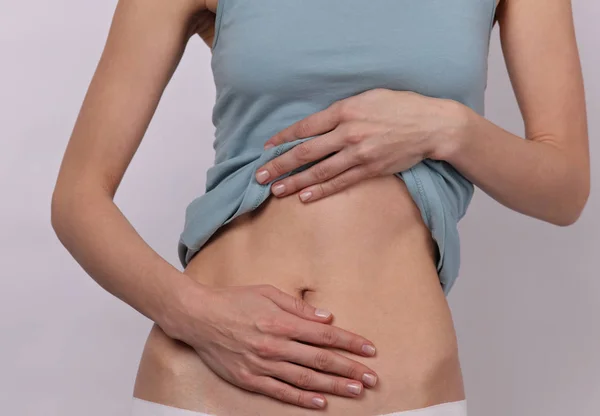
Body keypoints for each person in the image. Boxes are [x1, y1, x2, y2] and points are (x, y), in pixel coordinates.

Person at [50, 0, 590, 415]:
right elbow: (77, 198)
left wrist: (446, 128)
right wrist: (193, 314)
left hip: (392, 385)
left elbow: (564, 189)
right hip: (206, 381)